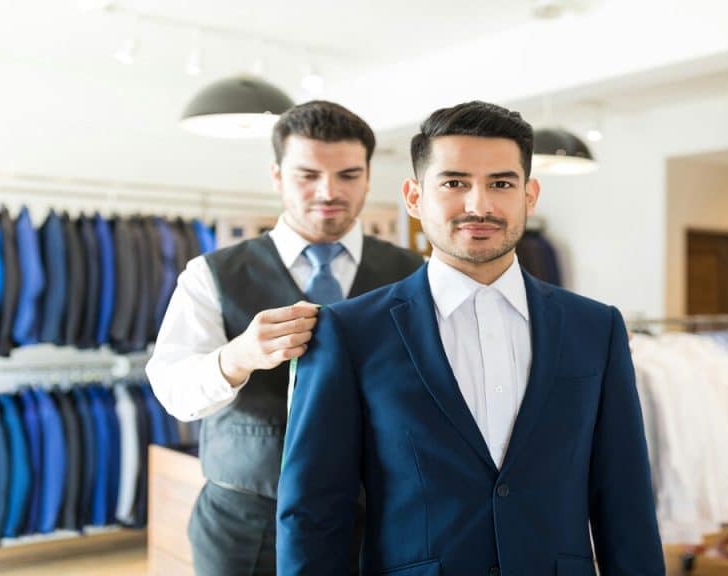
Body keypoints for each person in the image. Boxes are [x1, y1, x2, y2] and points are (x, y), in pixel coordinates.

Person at [277, 101, 665, 575]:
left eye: (501, 183)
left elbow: (624, 496)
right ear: (414, 197)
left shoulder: (595, 328)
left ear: (530, 194)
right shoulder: (349, 332)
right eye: (454, 183)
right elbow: (314, 510)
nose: (478, 205)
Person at [147, 100, 423, 575]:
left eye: (348, 175)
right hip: (246, 524)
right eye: (307, 174)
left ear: (369, 177)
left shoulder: (413, 275)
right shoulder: (210, 275)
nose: (328, 191)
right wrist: (237, 357)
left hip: (379, 517)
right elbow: (173, 390)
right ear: (277, 175)